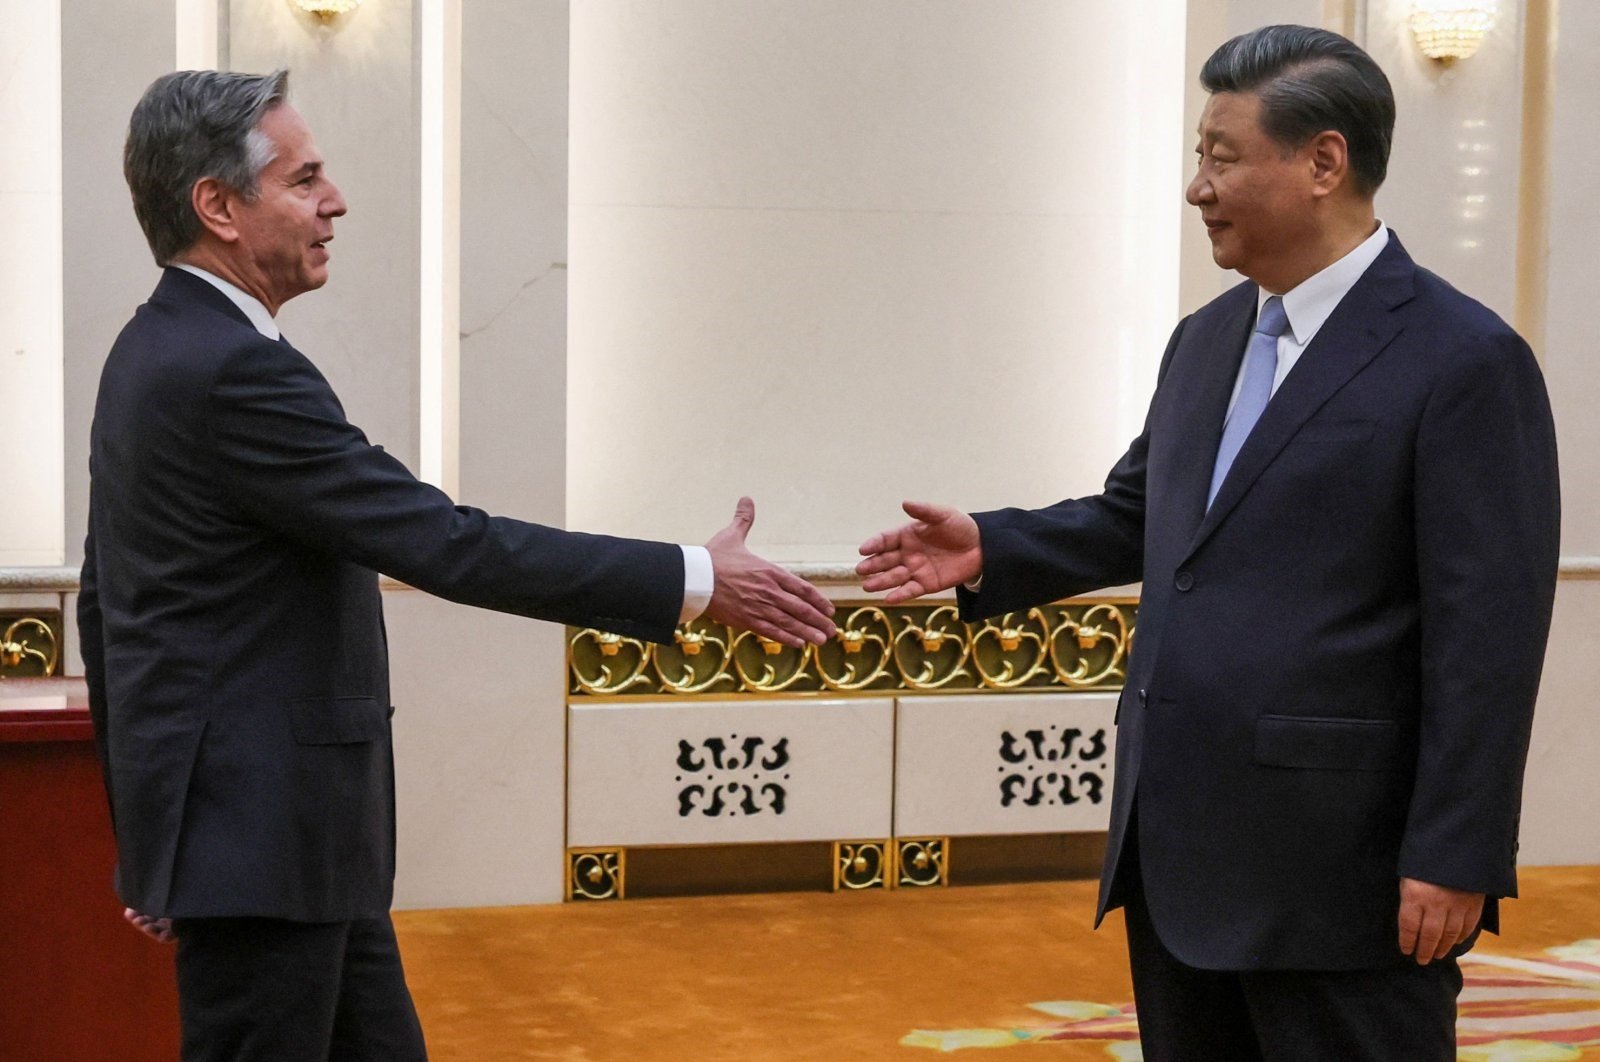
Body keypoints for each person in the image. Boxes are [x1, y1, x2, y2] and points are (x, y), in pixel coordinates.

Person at [80, 68, 836, 1061]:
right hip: (265, 852)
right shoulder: (229, 369)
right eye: (305, 180)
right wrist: (692, 578)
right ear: (218, 206)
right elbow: (444, 539)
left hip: (291, 848)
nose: (336, 200)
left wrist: (155, 839)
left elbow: (107, 606)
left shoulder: (155, 350)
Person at [857, 25, 1558, 1060]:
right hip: (1178, 852)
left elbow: (1488, 634)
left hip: (1343, 874)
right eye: (1200, 155)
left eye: (1221, 155)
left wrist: (1456, 852)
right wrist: (994, 551)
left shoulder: (1463, 360)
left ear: (1323, 162)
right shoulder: (1208, 339)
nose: (1197, 186)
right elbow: (1142, 516)